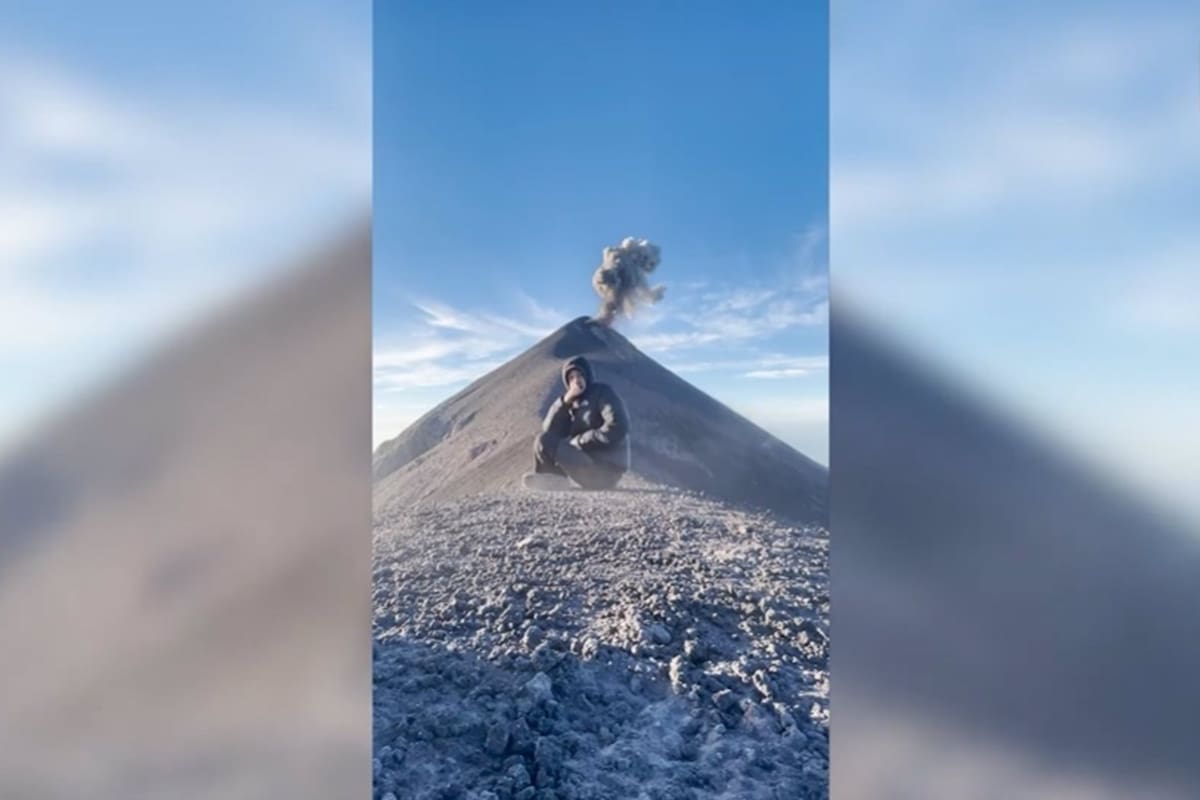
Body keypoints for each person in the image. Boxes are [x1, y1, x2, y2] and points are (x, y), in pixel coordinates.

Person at [523, 355, 630, 491]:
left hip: (606, 470)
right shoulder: (572, 405)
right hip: (586, 464)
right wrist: (564, 402)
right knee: (542, 440)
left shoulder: (602, 392)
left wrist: (580, 441)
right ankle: (554, 480)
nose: (576, 380)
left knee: (546, 440)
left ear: (587, 376)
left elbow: (618, 426)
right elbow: (549, 430)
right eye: (571, 378)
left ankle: (555, 481)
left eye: (579, 375)